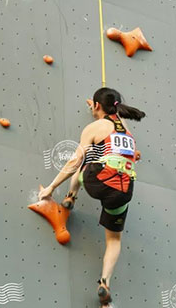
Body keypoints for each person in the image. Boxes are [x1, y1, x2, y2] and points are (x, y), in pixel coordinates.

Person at [38, 87, 146, 307]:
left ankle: (70, 196)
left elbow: (74, 161)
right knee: (114, 240)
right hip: (124, 192)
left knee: (87, 161)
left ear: (97, 106)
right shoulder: (127, 131)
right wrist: (97, 110)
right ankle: (105, 283)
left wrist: (50, 188)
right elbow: (116, 125)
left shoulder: (94, 127)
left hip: (98, 182)